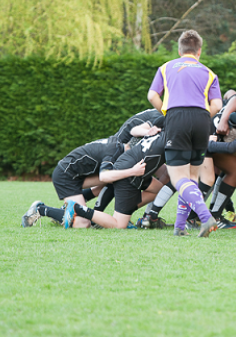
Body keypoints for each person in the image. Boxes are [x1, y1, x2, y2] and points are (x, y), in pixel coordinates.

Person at [147, 29, 222, 237]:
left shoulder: (166, 67)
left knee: (177, 176)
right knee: (191, 176)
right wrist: (203, 117)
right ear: (199, 51)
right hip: (202, 119)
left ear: (180, 50)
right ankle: (180, 227)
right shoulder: (208, 72)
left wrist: (166, 111)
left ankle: (205, 217)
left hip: (177, 117)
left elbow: (152, 95)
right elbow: (217, 104)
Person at [21, 136, 143, 228]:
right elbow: (104, 176)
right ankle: (40, 209)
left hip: (77, 175)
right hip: (66, 175)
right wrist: (132, 171)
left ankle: (69, 208)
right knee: (83, 223)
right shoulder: (114, 153)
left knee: (114, 179)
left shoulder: (117, 146)